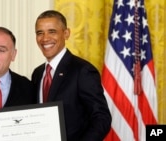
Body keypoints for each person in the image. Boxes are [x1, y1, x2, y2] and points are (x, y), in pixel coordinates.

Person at [31, 10, 112, 141]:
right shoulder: (38, 73)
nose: (45, 38)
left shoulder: (83, 70)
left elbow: (102, 118)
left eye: (52, 31)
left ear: (66, 33)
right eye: (40, 33)